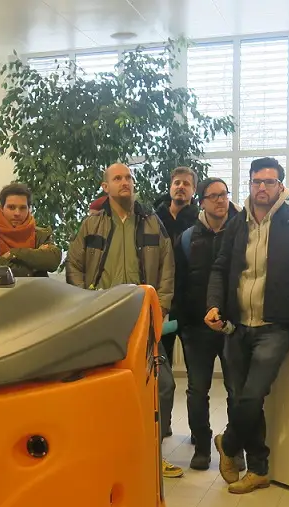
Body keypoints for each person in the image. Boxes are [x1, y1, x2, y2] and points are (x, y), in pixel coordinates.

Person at [204, 157, 289, 494]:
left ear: (281, 185)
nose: (261, 188)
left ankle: (229, 443)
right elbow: (220, 268)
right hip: (236, 325)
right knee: (238, 398)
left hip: (276, 326)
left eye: (269, 181)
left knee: (252, 395)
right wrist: (214, 305)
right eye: (255, 182)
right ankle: (259, 467)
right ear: (249, 184)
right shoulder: (237, 224)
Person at [66, 162, 178, 478]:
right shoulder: (92, 225)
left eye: (128, 177)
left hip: (142, 318)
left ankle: (152, 454)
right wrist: (84, 302)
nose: (124, 182)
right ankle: (108, 456)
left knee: (162, 385)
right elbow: (74, 265)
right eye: (117, 178)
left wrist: (162, 306)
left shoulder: (153, 223)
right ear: (106, 187)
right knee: (105, 388)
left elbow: (167, 269)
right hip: (103, 319)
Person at [181, 178, 240, 471]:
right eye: (213, 196)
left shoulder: (242, 232)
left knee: (235, 389)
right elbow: (179, 281)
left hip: (233, 327)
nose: (220, 200)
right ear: (201, 202)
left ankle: (233, 446)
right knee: (197, 389)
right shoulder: (187, 237)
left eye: (224, 195)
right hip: (196, 328)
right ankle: (202, 447)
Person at [154, 167, 201, 448]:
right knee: (161, 369)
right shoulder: (153, 218)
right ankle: (164, 424)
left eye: (186, 184)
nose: (180, 187)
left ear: (194, 191)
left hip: (192, 305)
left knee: (197, 374)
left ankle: (198, 430)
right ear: (170, 187)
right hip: (160, 305)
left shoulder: (202, 219)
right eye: (176, 183)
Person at [0, 183, 62, 278]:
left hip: (35, 291)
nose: (17, 213)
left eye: (22, 208)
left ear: (29, 209)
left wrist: (13, 253)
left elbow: (53, 261)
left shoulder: (41, 234)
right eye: (11, 207)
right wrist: (33, 268)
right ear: (2, 208)